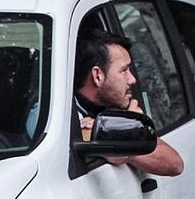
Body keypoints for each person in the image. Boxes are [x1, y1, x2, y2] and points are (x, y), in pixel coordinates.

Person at [74, 28, 184, 176]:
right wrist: (126, 135)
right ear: (98, 75)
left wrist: (123, 132)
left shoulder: (111, 106)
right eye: (124, 71)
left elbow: (174, 163)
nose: (132, 79)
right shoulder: (70, 121)